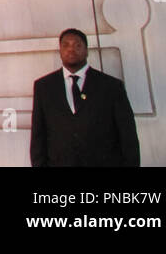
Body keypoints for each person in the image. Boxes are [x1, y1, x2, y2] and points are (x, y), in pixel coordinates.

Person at [30, 28, 140, 167]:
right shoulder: (44, 87)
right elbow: (38, 137)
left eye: (77, 45)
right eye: (66, 45)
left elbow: (128, 136)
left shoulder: (111, 86)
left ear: (87, 50)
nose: (71, 49)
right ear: (60, 51)